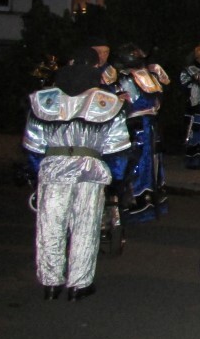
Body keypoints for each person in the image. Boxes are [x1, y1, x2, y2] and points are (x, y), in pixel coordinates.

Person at [22, 48, 131, 301]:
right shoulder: (107, 102)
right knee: (85, 226)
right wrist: (116, 179)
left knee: (50, 226)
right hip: (90, 170)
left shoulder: (44, 100)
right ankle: (78, 285)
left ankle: (51, 283)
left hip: (54, 169)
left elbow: (33, 146)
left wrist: (37, 171)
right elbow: (117, 150)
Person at [114, 43, 170, 223]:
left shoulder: (150, 74)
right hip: (136, 126)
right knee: (136, 164)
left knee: (152, 163)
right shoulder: (125, 78)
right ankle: (133, 204)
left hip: (150, 124)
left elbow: (158, 98)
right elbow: (127, 102)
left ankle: (150, 203)